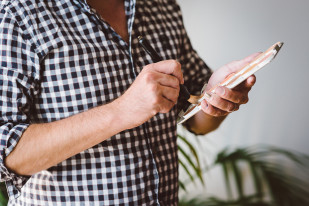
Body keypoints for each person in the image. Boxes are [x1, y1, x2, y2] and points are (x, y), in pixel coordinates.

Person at [0, 0, 258, 205]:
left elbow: (198, 121)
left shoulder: (163, 5)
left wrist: (217, 93)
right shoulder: (18, 13)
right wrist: (121, 111)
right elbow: (6, 152)